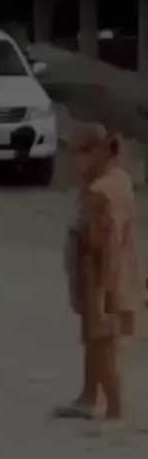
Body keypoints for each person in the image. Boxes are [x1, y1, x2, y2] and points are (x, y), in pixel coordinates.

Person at [56, 123, 141, 425]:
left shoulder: (99, 193)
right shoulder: (117, 179)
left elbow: (100, 244)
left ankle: (114, 410)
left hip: (99, 278)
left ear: (97, 152)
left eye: (79, 152)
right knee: (96, 341)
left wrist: (102, 292)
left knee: (103, 342)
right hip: (114, 275)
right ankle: (89, 397)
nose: (73, 159)